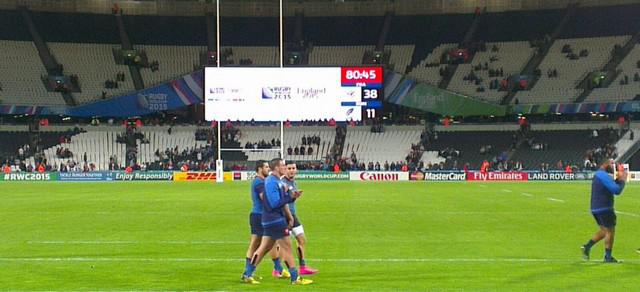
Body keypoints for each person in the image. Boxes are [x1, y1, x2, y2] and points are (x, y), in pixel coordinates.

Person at [241, 158, 312, 285]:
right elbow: (274, 203)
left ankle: (247, 274)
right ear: (277, 168)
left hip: (270, 220)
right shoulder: (271, 182)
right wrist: (289, 197)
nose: (285, 168)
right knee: (287, 248)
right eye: (283, 166)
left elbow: (282, 200)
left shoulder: (276, 181)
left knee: (263, 248)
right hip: (275, 219)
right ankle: (295, 278)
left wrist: (292, 198)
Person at [243, 160, 290, 280]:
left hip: (261, 215)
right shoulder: (259, 182)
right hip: (259, 215)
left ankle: (278, 269)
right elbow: (265, 198)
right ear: (259, 169)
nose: (268, 169)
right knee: (256, 244)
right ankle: (247, 273)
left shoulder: (263, 181)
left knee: (271, 244)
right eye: (266, 167)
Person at [581, 159, 627, 263]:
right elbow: (616, 190)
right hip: (604, 207)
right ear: (604, 164)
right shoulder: (603, 175)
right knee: (610, 231)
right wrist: (622, 180)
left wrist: (618, 179)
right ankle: (608, 257)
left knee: (604, 231)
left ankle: (587, 247)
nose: (613, 165)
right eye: (611, 163)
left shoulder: (600, 175)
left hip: (595, 208)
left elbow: (610, 185)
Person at [282, 163, 319, 275]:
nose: (291, 170)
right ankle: (278, 268)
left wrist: (295, 196)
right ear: (285, 169)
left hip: (293, 215)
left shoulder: (294, 182)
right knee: (282, 244)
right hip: (284, 216)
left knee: (302, 239)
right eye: (289, 168)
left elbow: (290, 200)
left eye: (293, 168)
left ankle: (302, 267)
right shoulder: (283, 183)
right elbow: (282, 201)